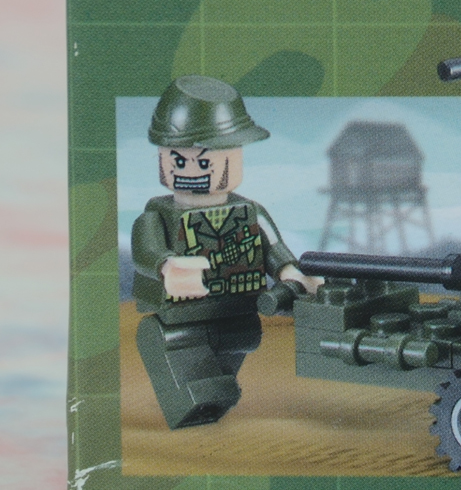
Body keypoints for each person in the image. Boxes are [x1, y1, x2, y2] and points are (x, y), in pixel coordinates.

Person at [131, 74, 320, 429]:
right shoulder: (158, 214)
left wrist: (291, 272)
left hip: (237, 311)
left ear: (235, 159)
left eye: (204, 163)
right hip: (183, 312)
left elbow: (273, 247)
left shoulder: (250, 212)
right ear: (162, 159)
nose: (190, 171)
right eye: (179, 161)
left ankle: (211, 402)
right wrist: (166, 266)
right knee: (174, 346)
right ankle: (196, 404)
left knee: (230, 353)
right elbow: (146, 247)